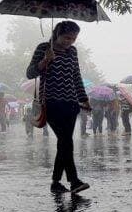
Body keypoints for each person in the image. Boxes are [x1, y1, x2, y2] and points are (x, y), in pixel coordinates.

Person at [26, 20, 91, 194]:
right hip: (51, 102)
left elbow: (76, 76)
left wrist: (84, 99)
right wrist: (45, 61)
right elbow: (30, 73)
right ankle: (74, 181)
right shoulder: (43, 48)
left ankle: (56, 183)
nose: (70, 41)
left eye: (73, 38)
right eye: (66, 37)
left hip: (71, 104)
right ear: (57, 34)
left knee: (65, 143)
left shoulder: (72, 52)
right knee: (66, 142)